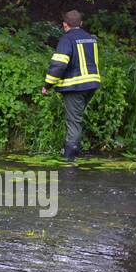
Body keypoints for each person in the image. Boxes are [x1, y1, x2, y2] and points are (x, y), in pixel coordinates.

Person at [41, 9, 101, 162]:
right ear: (81, 24)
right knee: (76, 118)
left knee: (73, 121)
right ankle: (76, 152)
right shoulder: (90, 38)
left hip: (75, 86)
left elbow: (58, 65)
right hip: (92, 84)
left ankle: (69, 159)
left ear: (64, 25)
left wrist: (47, 85)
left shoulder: (66, 40)